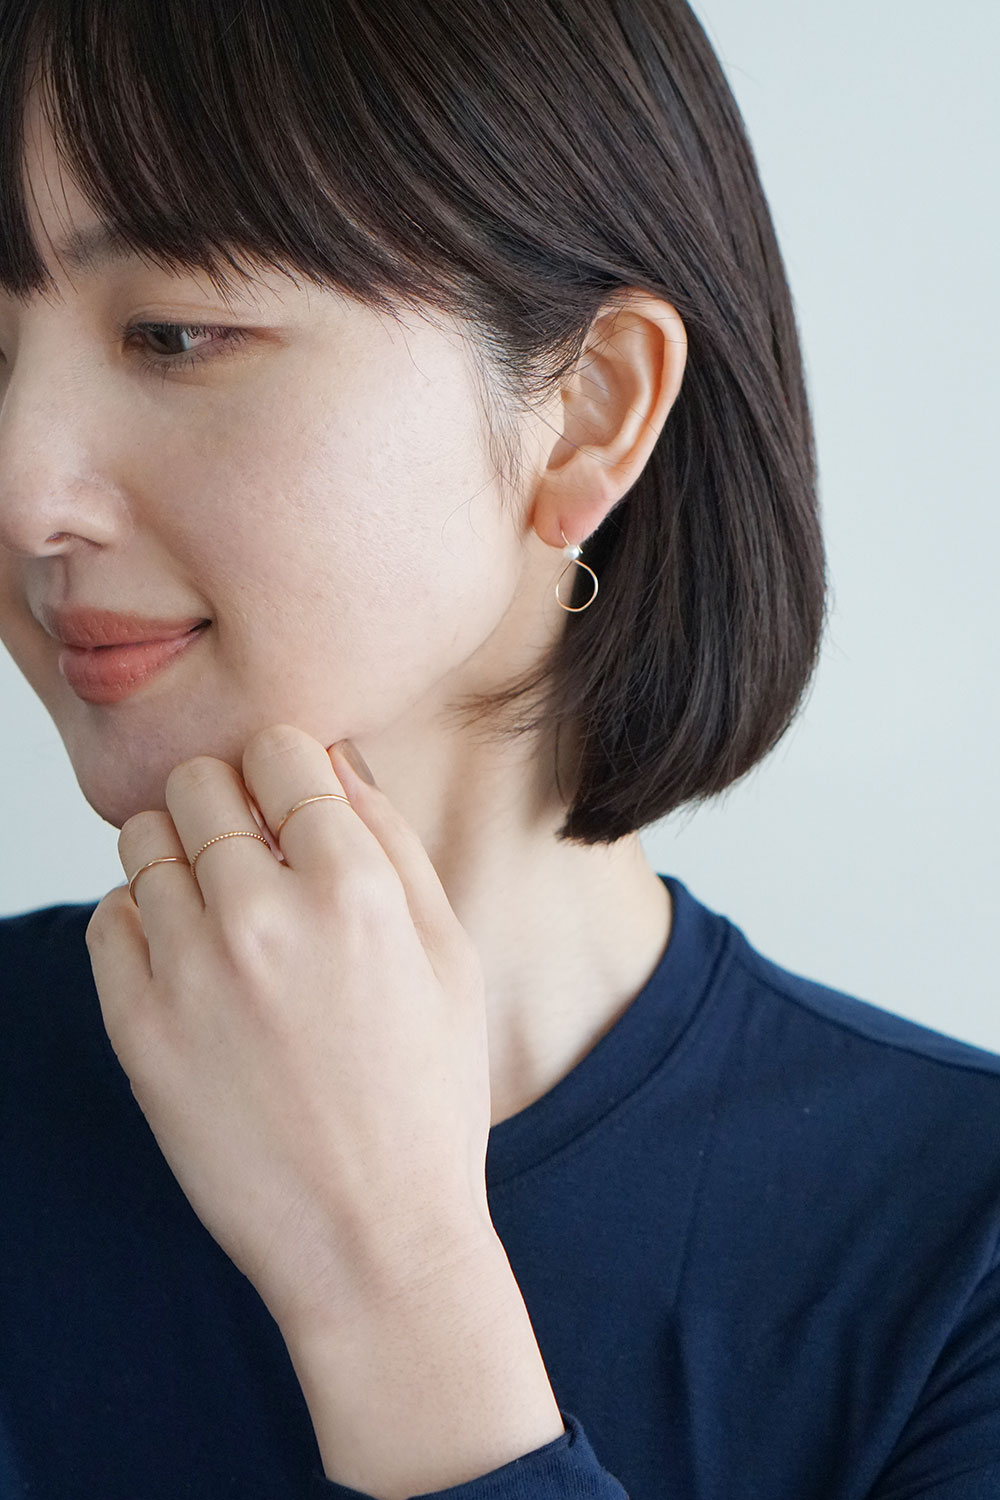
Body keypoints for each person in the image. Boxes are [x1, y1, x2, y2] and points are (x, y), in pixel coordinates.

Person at [1, 3, 998, 1498]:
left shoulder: (958, 1247)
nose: (24, 491)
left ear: (589, 410)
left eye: (175, 335)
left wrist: (392, 1291)